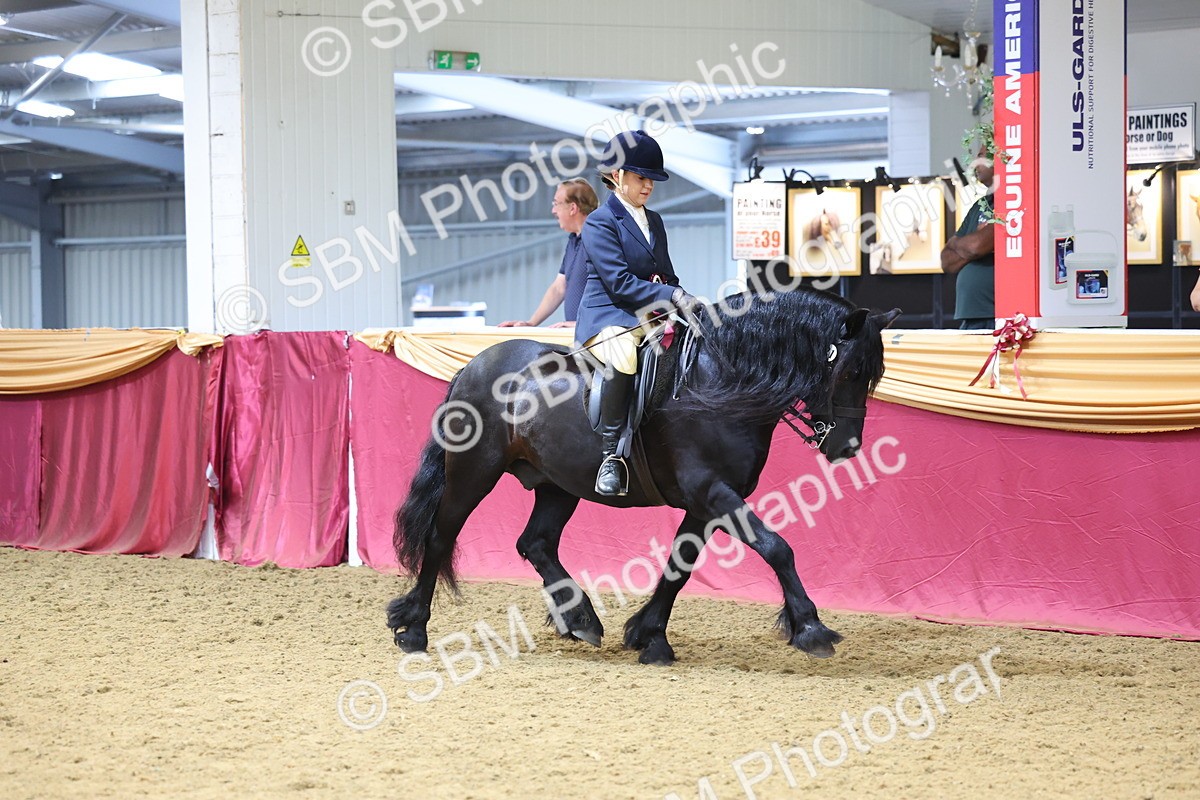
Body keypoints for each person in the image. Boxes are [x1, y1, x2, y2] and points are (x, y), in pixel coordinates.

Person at [576, 129, 700, 496]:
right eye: (641, 177)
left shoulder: (655, 221)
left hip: (651, 315)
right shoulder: (600, 221)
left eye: (652, 180)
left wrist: (678, 297)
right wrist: (671, 293)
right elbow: (619, 283)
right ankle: (611, 456)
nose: (648, 186)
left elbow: (667, 273)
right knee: (624, 355)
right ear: (617, 175)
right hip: (609, 316)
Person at [498, 178, 598, 328]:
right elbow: (559, 287)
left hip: (596, 334)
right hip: (578, 333)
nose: (553, 210)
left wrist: (585, 324)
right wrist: (531, 323)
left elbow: (614, 288)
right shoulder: (574, 241)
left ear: (573, 208)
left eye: (556, 204)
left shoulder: (598, 240)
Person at [941, 151, 996, 330]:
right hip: (971, 316)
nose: (974, 162)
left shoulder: (1012, 202)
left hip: (997, 316)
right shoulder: (981, 205)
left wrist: (957, 244)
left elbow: (976, 246)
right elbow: (946, 261)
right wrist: (967, 245)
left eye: (982, 155)